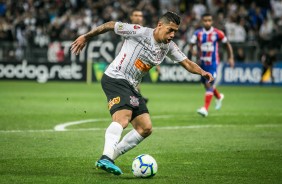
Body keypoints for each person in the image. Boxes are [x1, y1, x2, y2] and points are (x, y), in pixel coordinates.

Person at [71, 12, 213, 175]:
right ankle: (106, 157)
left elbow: (187, 62)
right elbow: (111, 24)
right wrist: (86, 37)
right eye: (170, 30)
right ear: (160, 25)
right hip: (115, 77)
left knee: (145, 128)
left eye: (175, 31)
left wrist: (203, 72)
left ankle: (109, 157)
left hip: (132, 85)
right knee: (123, 117)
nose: (172, 35)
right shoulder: (139, 31)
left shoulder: (168, 46)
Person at [189, 13, 234, 117]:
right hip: (202, 64)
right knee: (206, 85)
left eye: (209, 20)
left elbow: (227, 44)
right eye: (205, 20)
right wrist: (193, 51)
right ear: (202, 21)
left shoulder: (218, 33)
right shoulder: (198, 33)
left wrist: (231, 57)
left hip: (213, 63)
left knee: (209, 84)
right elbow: (191, 44)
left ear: (212, 21)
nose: (207, 22)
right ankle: (218, 97)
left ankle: (205, 109)